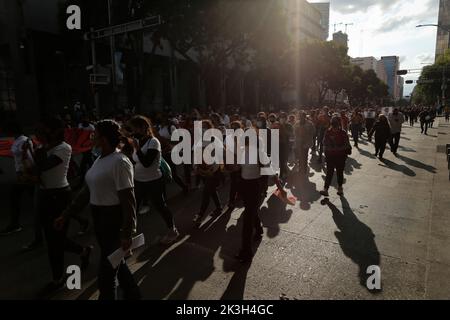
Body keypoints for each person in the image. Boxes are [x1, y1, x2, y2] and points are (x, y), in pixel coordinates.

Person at [55, 120, 141, 300]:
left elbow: (128, 202)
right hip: (100, 221)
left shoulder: (120, 162)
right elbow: (86, 192)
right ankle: (134, 296)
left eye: (94, 133)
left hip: (113, 222)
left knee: (106, 275)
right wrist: (66, 214)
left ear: (103, 138)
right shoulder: (99, 159)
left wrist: (127, 232)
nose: (91, 136)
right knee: (118, 265)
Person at [32, 116, 92, 293]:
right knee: (52, 239)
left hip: (59, 196)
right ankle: (82, 251)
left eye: (42, 130)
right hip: (45, 195)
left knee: (55, 239)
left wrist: (39, 150)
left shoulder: (63, 148)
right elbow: (33, 171)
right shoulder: (44, 148)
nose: (39, 134)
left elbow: (42, 167)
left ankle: (57, 278)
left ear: (53, 131)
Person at [128, 115, 179, 245]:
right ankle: (128, 239)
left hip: (153, 181)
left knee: (160, 206)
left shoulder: (153, 142)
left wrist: (137, 148)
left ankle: (172, 230)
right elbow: (134, 160)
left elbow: (146, 163)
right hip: (138, 180)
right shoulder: (138, 141)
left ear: (143, 128)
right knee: (132, 208)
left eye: (134, 128)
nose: (133, 131)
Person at [235, 127, 266, 263]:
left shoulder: (259, 153)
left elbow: (267, 167)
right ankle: (258, 228)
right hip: (244, 184)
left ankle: (246, 252)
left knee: (247, 219)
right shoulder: (241, 151)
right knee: (250, 210)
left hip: (254, 186)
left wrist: (277, 183)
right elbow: (239, 168)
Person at [0, 121, 35, 235]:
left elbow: (29, 158)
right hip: (22, 174)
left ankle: (15, 224)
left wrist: (25, 173)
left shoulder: (24, 141)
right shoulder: (17, 140)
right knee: (34, 196)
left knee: (15, 196)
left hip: (25, 174)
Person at [192, 120, 223, 227]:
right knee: (211, 190)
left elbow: (219, 157)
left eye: (205, 127)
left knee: (206, 192)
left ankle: (200, 215)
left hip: (213, 171)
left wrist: (211, 170)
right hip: (203, 171)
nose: (203, 129)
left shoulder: (216, 141)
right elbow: (195, 155)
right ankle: (219, 208)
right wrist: (196, 167)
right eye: (202, 127)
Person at [319, 117, 352, 197]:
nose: (334, 128)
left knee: (339, 172)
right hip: (330, 156)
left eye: (336, 126)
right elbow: (324, 142)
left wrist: (338, 148)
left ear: (338, 125)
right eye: (333, 126)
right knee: (329, 173)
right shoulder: (328, 132)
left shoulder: (343, 133)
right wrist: (328, 148)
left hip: (340, 156)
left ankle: (340, 188)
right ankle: (325, 189)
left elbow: (347, 145)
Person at [294, 112, 315, 176]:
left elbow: (313, 131)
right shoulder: (297, 123)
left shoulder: (309, 123)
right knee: (300, 156)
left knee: (305, 156)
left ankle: (304, 170)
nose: (301, 117)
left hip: (306, 142)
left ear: (304, 116)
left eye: (302, 116)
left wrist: (308, 135)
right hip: (299, 142)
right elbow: (294, 131)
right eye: (300, 116)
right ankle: (300, 169)